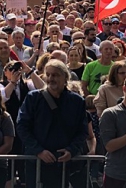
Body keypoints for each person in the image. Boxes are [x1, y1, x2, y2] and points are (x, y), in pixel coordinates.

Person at [17, 59, 88, 188]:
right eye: (48, 75)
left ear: (65, 77)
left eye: (55, 75)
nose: (51, 78)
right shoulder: (33, 98)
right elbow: (22, 126)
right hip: (36, 162)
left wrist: (71, 150)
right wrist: (38, 150)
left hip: (63, 163)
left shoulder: (76, 101)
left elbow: (82, 131)